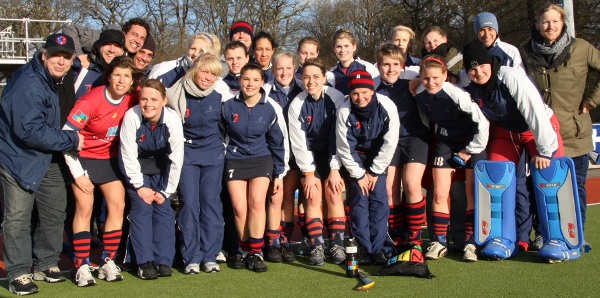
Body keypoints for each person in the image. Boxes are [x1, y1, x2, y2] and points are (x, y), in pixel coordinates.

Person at [0, 33, 83, 295]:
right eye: (56, 55)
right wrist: (71, 139)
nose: (61, 61)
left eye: (66, 57)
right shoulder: (29, 83)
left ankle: (46, 263)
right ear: (44, 54)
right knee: (18, 218)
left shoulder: (53, 76)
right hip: (18, 158)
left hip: (47, 155)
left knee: (54, 212)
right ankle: (18, 273)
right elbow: (29, 131)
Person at [520, 3, 600, 249]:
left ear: (563, 23)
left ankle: (577, 234)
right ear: (536, 24)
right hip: (541, 134)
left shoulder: (582, 48)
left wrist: (592, 101)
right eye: (545, 21)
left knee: (575, 187)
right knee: (541, 188)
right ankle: (544, 233)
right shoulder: (524, 52)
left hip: (574, 132)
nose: (550, 26)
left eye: (555, 21)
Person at [64, 56, 141, 287]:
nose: (121, 80)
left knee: (117, 204)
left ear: (131, 81)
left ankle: (108, 260)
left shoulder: (132, 99)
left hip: (110, 159)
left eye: (126, 76)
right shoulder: (90, 101)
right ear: (108, 76)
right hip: (81, 158)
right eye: (117, 74)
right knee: (85, 206)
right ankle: (82, 264)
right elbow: (66, 138)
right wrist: (78, 175)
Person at [413, 56, 489, 262]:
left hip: (471, 142)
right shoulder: (420, 91)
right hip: (445, 142)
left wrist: (469, 150)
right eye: (426, 78)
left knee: (471, 192)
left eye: (436, 77)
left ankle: (471, 242)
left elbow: (482, 125)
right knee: (439, 192)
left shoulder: (457, 95)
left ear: (445, 75)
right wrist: (415, 82)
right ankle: (439, 241)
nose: (431, 82)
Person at [166, 53, 232, 274]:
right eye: (205, 71)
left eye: (213, 74)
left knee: (211, 203)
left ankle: (209, 255)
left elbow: (228, 125)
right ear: (195, 71)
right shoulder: (177, 93)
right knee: (190, 203)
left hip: (213, 154)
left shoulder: (220, 95)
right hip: (187, 153)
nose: (208, 77)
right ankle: (191, 257)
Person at [222, 62, 288, 272]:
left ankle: (256, 252)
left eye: (255, 80)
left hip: (262, 158)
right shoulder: (228, 106)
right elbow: (220, 136)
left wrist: (279, 174)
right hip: (235, 159)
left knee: (257, 203)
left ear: (262, 83)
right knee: (240, 209)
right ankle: (242, 250)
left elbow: (278, 143)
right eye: (246, 79)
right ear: (240, 80)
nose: (250, 84)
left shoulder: (270, 108)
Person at [119, 79, 184, 280]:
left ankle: (164, 260)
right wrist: (139, 187)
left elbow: (176, 158)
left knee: (164, 209)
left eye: (154, 99)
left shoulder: (172, 119)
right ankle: (144, 261)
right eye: (144, 99)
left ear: (164, 101)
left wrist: (166, 191)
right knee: (141, 209)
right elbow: (127, 154)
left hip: (161, 171)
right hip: (137, 170)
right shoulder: (131, 117)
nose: (148, 104)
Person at [336, 69, 400, 265]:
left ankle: (379, 248)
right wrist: (360, 174)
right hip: (356, 160)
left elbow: (390, 142)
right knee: (359, 202)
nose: (360, 97)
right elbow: (344, 147)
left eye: (364, 92)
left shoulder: (387, 106)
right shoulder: (344, 110)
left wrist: (374, 171)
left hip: (378, 159)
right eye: (355, 93)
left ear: (372, 91)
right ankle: (364, 248)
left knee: (379, 201)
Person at [287, 58, 347, 265]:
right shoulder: (297, 104)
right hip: (309, 157)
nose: (311, 81)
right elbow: (299, 143)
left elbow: (339, 136)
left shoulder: (337, 98)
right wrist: (309, 173)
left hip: (333, 155)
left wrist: (335, 168)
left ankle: (337, 244)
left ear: (324, 78)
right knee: (312, 197)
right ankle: (317, 246)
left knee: (333, 193)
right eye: (306, 77)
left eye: (315, 77)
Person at [375, 43, 429, 248]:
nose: (391, 69)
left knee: (412, 184)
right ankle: (394, 234)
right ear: (379, 66)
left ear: (403, 65)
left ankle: (415, 236)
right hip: (389, 142)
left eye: (395, 64)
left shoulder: (413, 83)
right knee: (389, 190)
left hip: (415, 138)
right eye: (386, 65)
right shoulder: (373, 88)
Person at [262, 51, 303, 263]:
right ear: (272, 70)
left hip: (296, 153)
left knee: (288, 197)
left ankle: (285, 239)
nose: (284, 72)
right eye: (279, 68)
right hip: (273, 152)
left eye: (288, 68)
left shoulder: (303, 90)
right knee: (274, 197)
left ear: (295, 69)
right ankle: (272, 240)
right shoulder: (265, 92)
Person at [149, 32, 221, 88]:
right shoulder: (162, 69)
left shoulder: (214, 80)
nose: (195, 54)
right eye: (193, 48)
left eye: (201, 51)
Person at [72, 29, 126, 99]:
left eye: (117, 46)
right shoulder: (81, 66)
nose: (112, 50)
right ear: (99, 46)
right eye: (107, 44)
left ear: (122, 51)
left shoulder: (127, 75)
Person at [329, 29, 379, 95]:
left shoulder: (368, 68)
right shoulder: (331, 74)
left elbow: (377, 93)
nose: (342, 50)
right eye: (339, 47)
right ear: (334, 49)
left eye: (346, 46)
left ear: (354, 47)